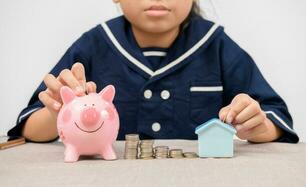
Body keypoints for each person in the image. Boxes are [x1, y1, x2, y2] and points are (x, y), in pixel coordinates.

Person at [8, 0, 299, 143]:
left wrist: (258, 126)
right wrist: (58, 111)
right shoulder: (93, 45)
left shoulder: (216, 45)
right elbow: (30, 130)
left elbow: (275, 117)